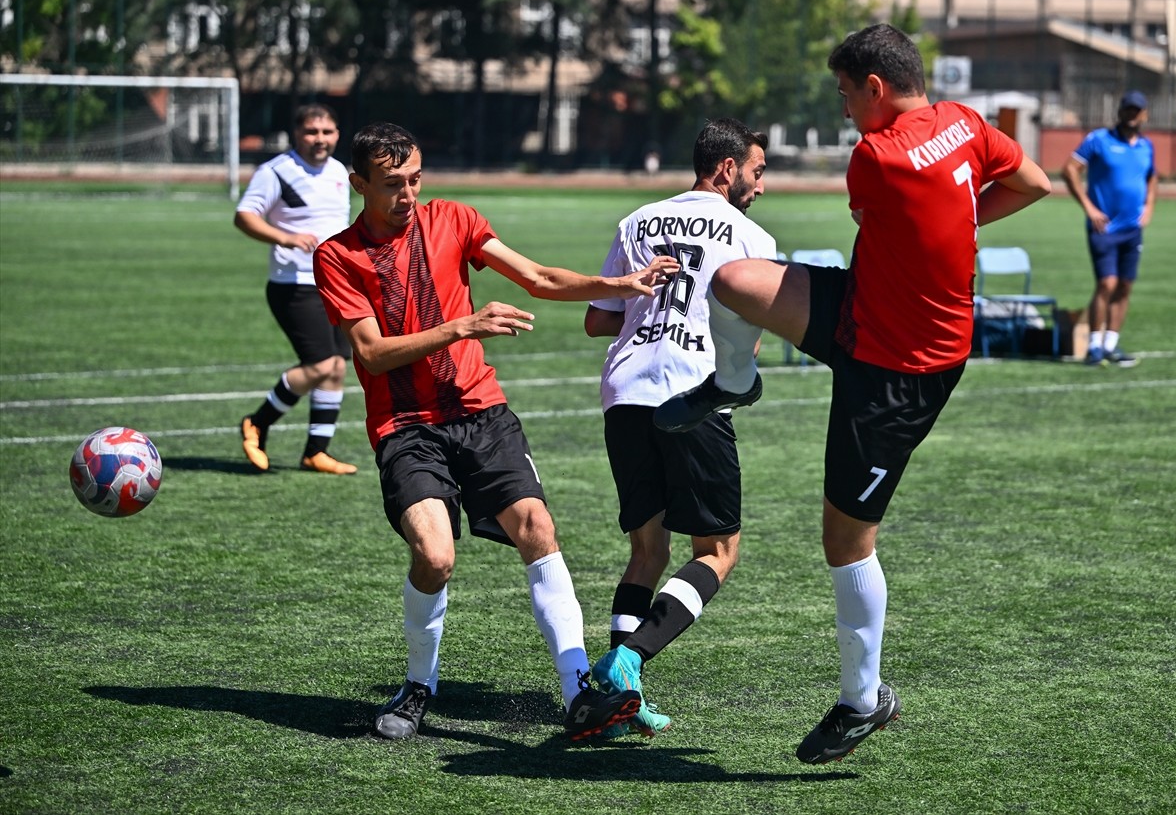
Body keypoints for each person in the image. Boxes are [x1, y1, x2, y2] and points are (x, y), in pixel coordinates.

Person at [655, 23, 1051, 764]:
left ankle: (863, 701)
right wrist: (963, 222)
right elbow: (1035, 184)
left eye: (845, 94)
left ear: (876, 88)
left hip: (901, 368)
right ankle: (734, 383)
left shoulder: (876, 157)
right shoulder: (966, 123)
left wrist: (948, 227)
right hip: (865, 307)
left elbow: (890, 213)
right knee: (735, 281)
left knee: (846, 541)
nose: (843, 110)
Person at [311, 121, 681, 741]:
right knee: (435, 556)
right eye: (392, 184)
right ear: (358, 185)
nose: (408, 194)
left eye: (415, 179)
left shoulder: (454, 219)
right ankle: (419, 684)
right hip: (407, 427)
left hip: (480, 411)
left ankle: (577, 697)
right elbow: (371, 354)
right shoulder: (337, 255)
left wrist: (621, 284)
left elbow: (537, 278)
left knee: (538, 527)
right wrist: (461, 327)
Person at [583, 118, 777, 739]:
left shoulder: (636, 221)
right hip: (691, 394)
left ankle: (615, 702)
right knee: (718, 552)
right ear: (726, 169)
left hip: (625, 390)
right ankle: (630, 660)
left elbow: (597, 320)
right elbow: (753, 330)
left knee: (647, 550)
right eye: (757, 169)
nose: (761, 184)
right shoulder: (752, 236)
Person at [234, 104, 358, 475]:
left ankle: (316, 451)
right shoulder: (276, 172)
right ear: (296, 134)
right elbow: (244, 216)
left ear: (337, 134)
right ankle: (258, 422)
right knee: (320, 365)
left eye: (327, 132)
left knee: (337, 367)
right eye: (311, 132)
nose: (320, 139)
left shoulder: (339, 171)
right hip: (295, 284)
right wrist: (285, 237)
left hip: (336, 283)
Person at [1062, 89, 1157, 368]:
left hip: (1132, 228)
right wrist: (1089, 208)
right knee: (1107, 283)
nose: (1131, 115)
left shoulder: (1146, 146)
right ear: (1119, 111)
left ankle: (1110, 345)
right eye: (1127, 109)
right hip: (1104, 227)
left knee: (1125, 285)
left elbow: (1152, 177)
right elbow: (1070, 170)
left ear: (1144, 115)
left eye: (1136, 110)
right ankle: (1093, 346)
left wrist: (1149, 206)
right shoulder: (1099, 140)